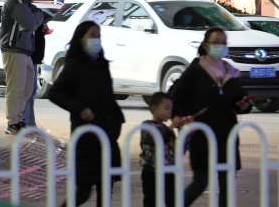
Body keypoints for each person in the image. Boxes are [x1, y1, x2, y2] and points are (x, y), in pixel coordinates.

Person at [171, 27, 252, 207]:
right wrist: (181, 117)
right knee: (201, 182)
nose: (220, 46)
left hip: (227, 134)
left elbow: (239, 98)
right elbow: (177, 96)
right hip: (202, 134)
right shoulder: (196, 70)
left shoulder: (231, 71)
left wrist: (243, 104)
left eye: (223, 43)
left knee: (227, 184)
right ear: (206, 45)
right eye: (216, 42)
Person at [48, 21, 125, 207]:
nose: (96, 40)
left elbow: (107, 95)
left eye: (98, 36)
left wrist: (116, 118)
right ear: (80, 39)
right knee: (82, 190)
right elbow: (55, 93)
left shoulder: (102, 64)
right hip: (86, 137)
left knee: (106, 190)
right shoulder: (74, 66)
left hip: (106, 134)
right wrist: (79, 109)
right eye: (92, 35)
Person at [0, 0, 44, 135]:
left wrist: (36, 15)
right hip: (14, 49)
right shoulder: (15, 0)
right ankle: (13, 123)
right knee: (16, 88)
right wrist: (39, 17)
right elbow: (30, 22)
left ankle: (19, 120)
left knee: (26, 88)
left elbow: (34, 15)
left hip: (24, 50)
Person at [140, 92, 181, 207]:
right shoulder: (147, 125)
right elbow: (158, 139)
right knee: (151, 201)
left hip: (169, 171)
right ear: (154, 108)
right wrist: (172, 126)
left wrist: (185, 130)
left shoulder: (167, 129)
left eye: (171, 109)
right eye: (166, 108)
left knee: (172, 200)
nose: (169, 112)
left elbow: (177, 149)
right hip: (152, 172)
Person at [23, 18, 51, 127]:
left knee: (31, 91)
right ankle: (26, 122)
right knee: (28, 91)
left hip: (33, 58)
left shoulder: (36, 22)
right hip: (29, 57)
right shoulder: (30, 20)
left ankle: (29, 122)